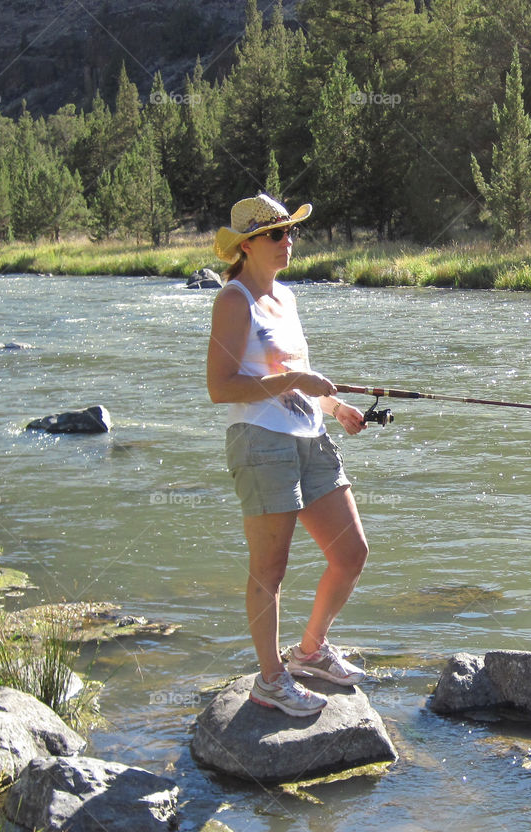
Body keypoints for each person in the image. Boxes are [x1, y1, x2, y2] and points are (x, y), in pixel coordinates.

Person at [206, 193, 370, 717]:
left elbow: (298, 372)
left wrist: (336, 405)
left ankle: (310, 653)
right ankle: (270, 681)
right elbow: (221, 387)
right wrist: (296, 380)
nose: (288, 243)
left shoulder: (287, 298)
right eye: (277, 235)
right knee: (268, 572)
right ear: (247, 245)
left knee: (351, 553)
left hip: (310, 437)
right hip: (261, 442)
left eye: (290, 233)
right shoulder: (234, 300)